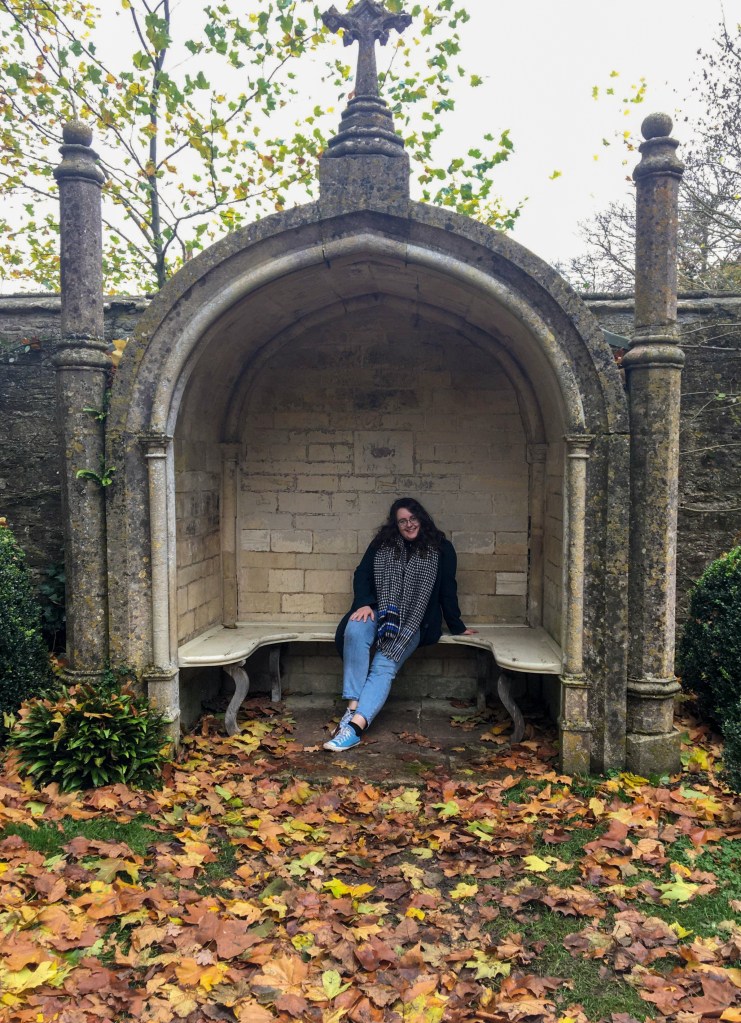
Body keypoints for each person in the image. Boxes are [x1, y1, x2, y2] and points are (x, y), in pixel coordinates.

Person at [324, 497, 476, 752]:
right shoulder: (383, 543)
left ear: (422, 519)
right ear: (396, 524)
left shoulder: (441, 548)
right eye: (402, 521)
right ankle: (352, 707)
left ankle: (354, 729)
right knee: (355, 630)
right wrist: (364, 603)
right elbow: (362, 573)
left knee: (384, 663)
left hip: (414, 621)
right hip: (379, 610)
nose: (409, 525)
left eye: (413, 519)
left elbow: (448, 589)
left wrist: (457, 625)